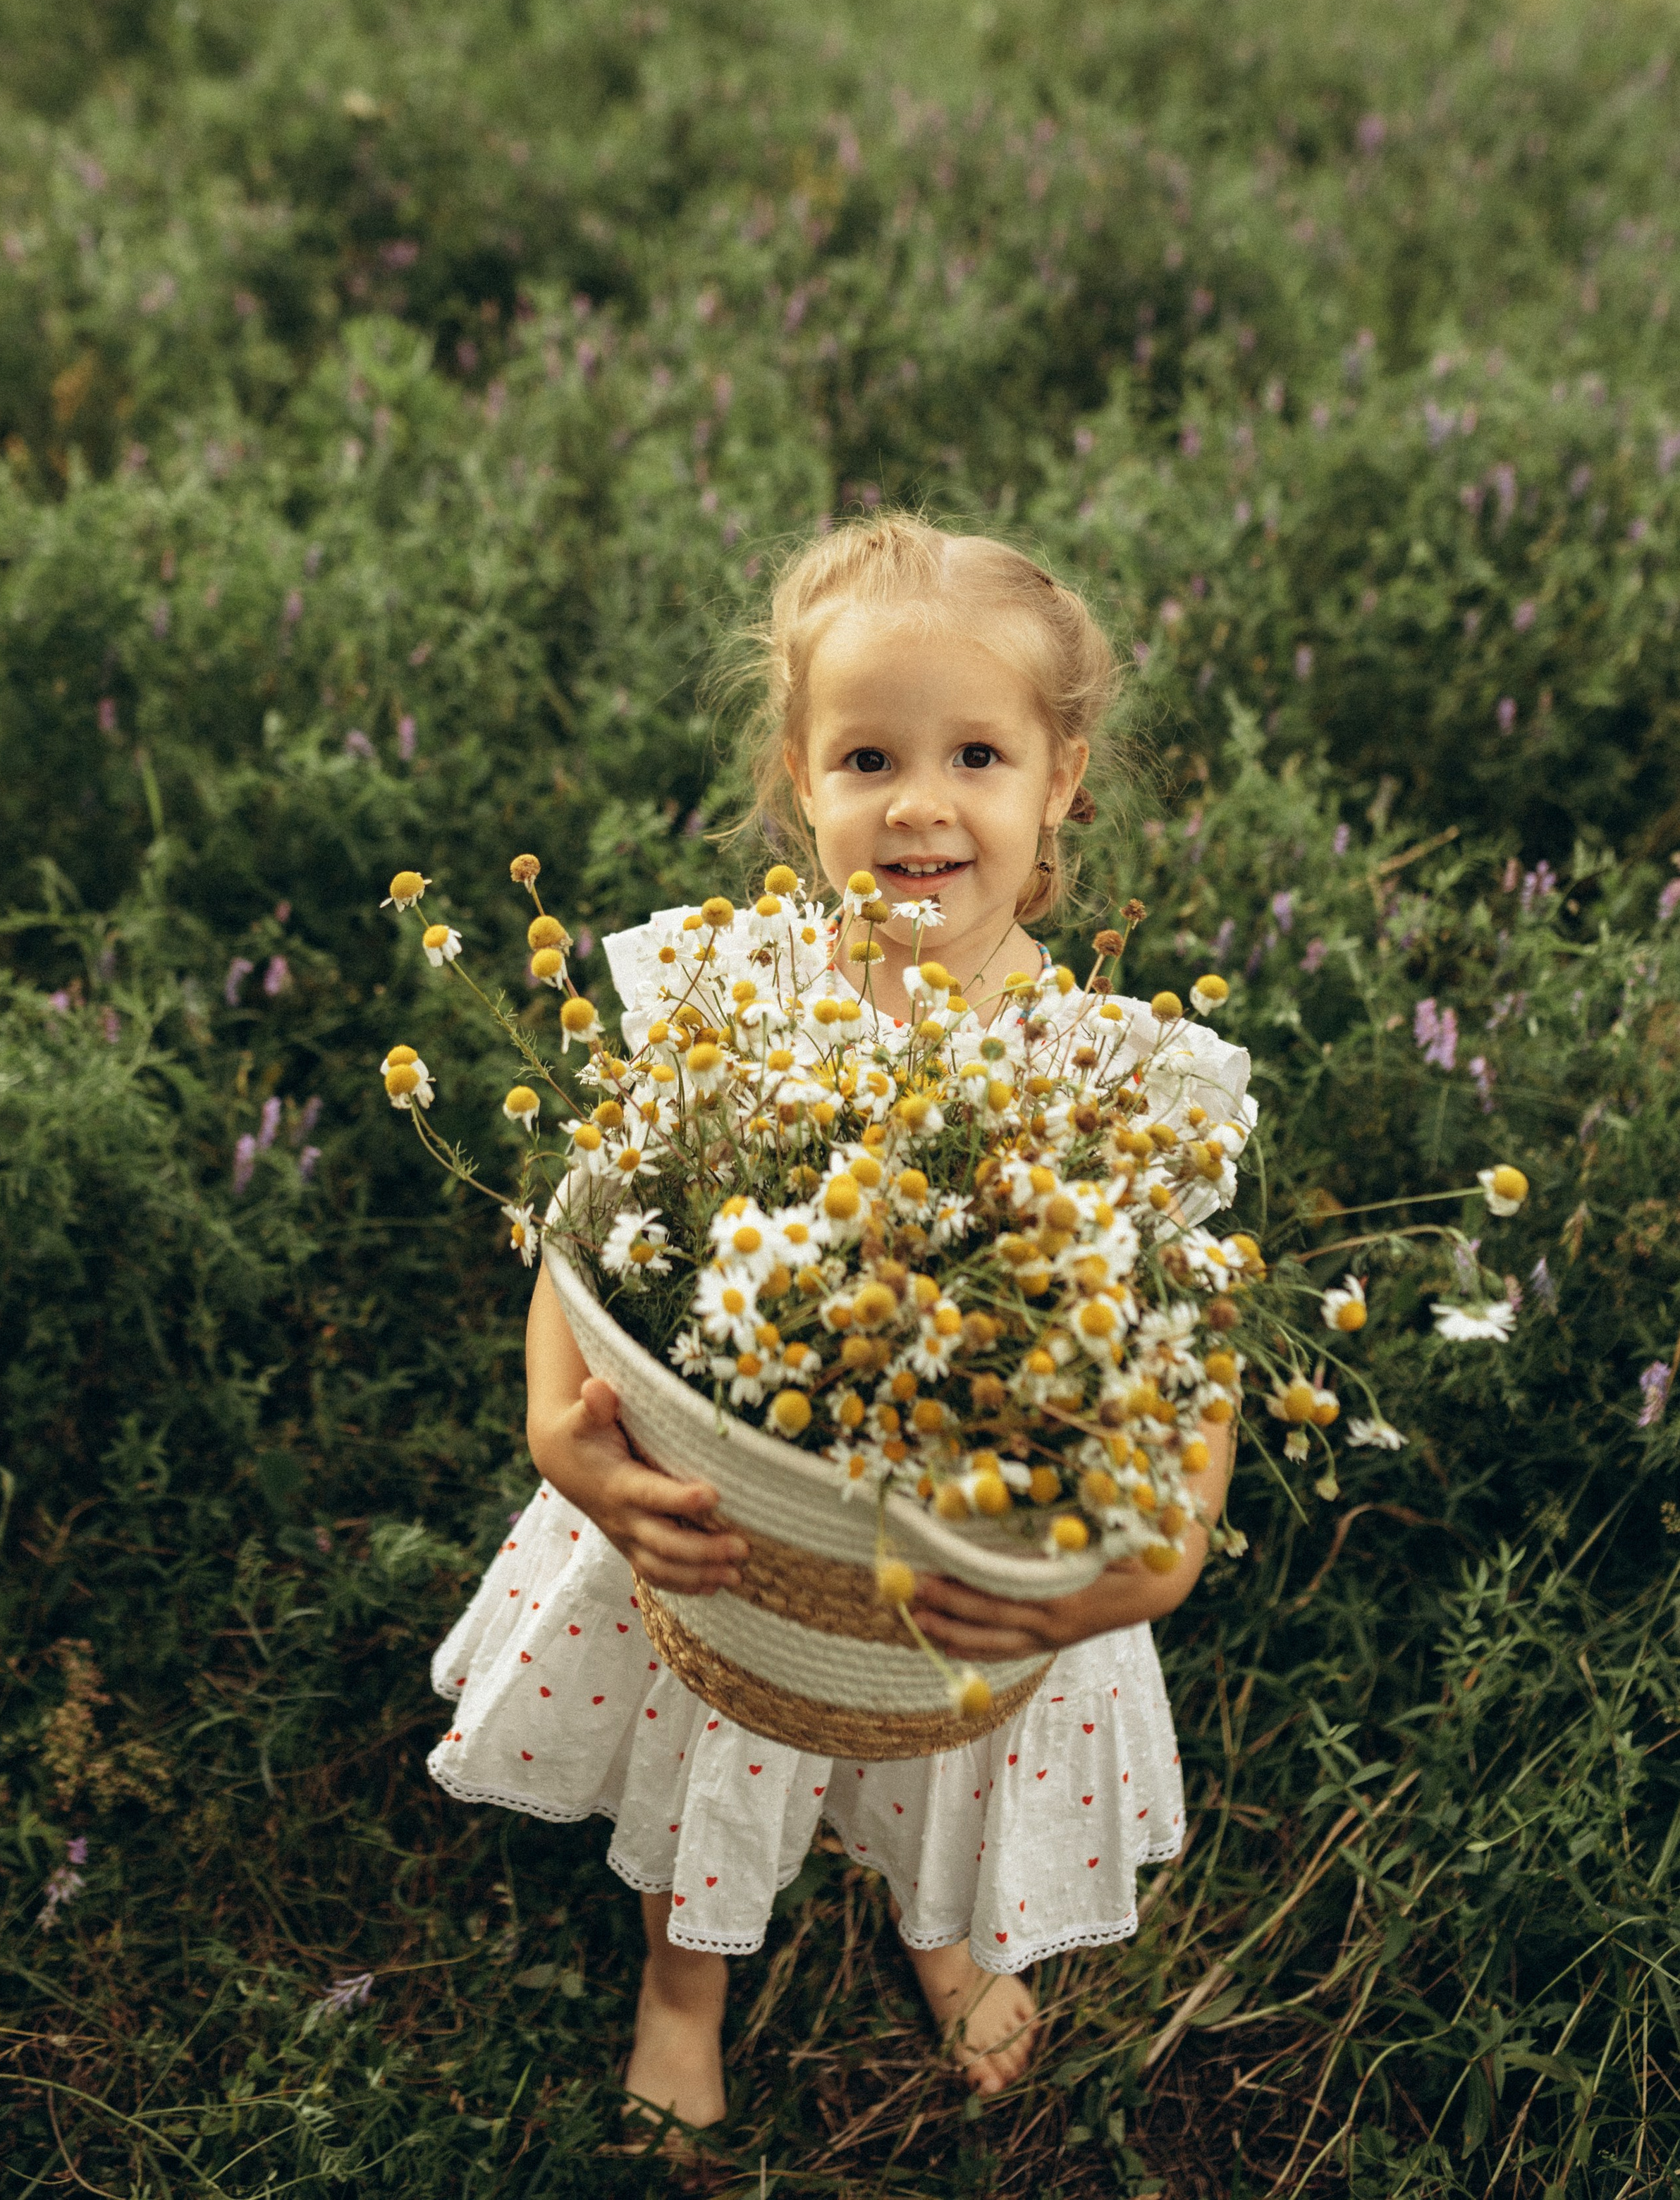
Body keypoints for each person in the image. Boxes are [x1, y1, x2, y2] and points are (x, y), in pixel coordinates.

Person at [427, 512, 1237, 2139]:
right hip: (728, 1519)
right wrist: (553, 1429)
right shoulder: (730, 1002)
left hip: (971, 1544)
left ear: (1059, 781)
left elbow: (1186, 1347)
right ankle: (683, 1978)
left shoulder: (1119, 1083)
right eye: (868, 756)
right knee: (723, 1719)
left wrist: (1156, 1555)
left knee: (943, 1746)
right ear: (801, 781)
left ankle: (937, 1929)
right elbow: (589, 1243)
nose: (919, 804)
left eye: (977, 755)